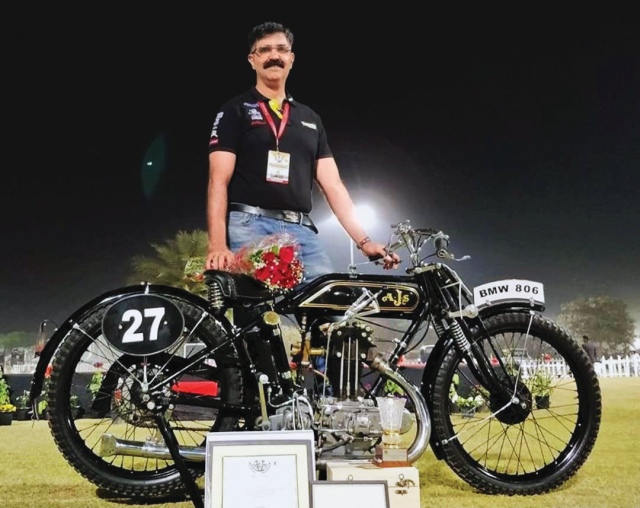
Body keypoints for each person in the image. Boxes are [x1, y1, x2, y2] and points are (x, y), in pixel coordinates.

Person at [205, 21, 399, 282]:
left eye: (281, 49)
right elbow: (218, 180)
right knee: (258, 316)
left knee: (329, 310)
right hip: (250, 225)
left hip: (303, 232)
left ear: (291, 58)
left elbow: (334, 187)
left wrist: (364, 242)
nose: (274, 56)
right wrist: (217, 245)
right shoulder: (234, 110)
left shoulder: (311, 119)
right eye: (264, 50)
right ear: (252, 60)